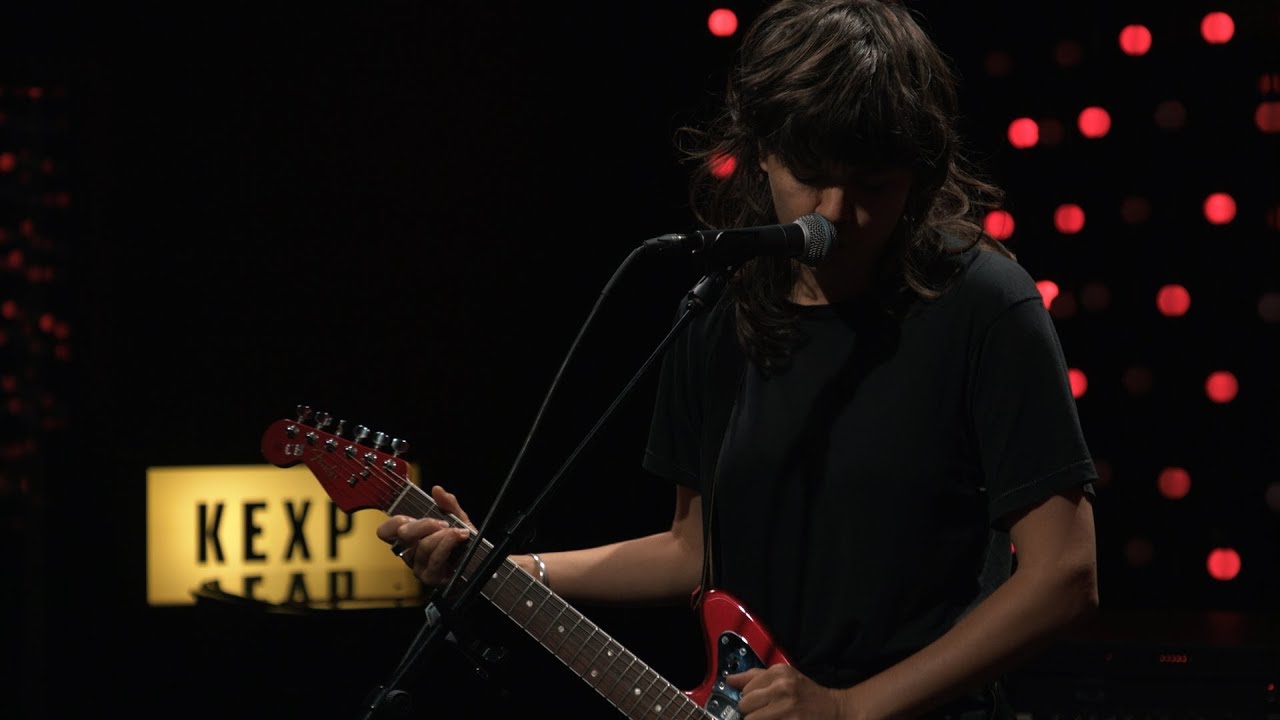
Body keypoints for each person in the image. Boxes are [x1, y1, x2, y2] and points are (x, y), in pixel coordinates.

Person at [378, 1, 1099, 717]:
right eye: (812, 175)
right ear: (761, 153)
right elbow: (693, 550)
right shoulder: (719, 311)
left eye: (874, 185)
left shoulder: (983, 303)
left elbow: (1063, 575)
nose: (837, 214)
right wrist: (500, 568)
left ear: (920, 170)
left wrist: (849, 709)